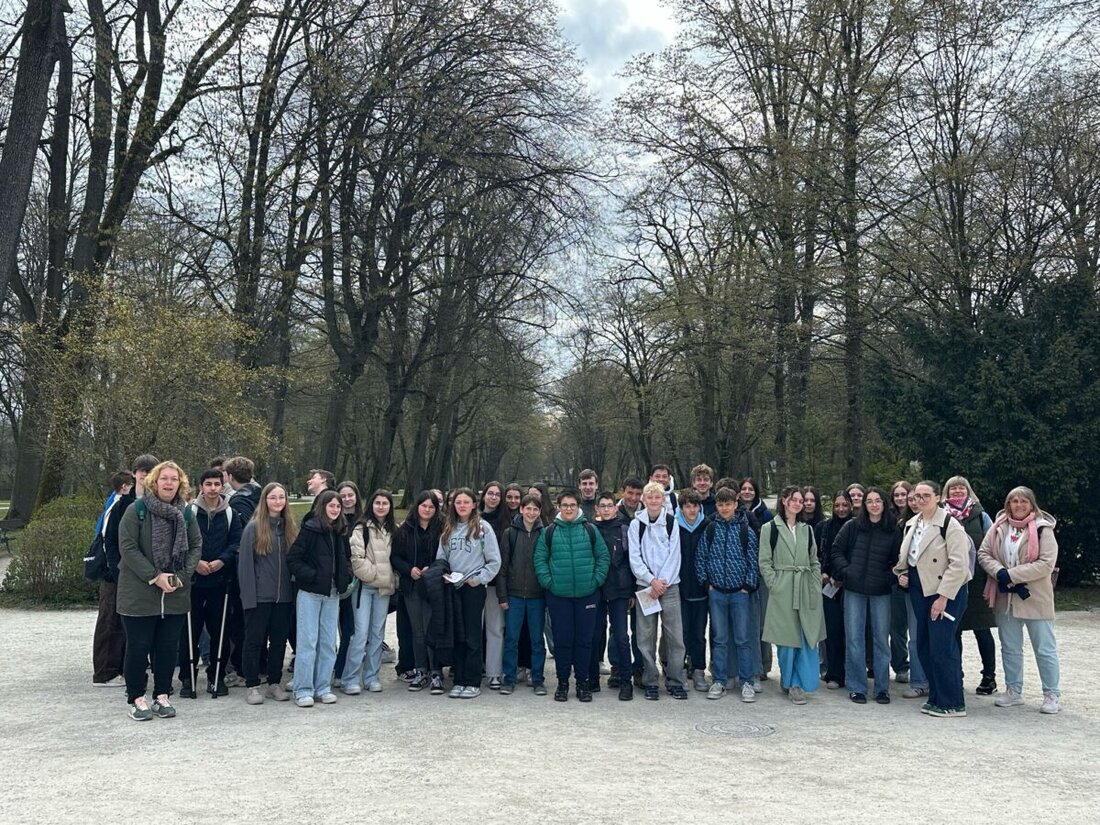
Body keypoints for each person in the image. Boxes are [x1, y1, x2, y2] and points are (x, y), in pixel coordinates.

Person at [116, 460, 202, 721]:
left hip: (174, 593)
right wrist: (154, 576)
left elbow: (196, 546)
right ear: (154, 482)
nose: (168, 483)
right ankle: (137, 698)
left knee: (167, 648)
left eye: (173, 479)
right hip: (140, 593)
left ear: (180, 484)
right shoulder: (137, 510)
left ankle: (162, 695)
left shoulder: (186, 513)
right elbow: (128, 547)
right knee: (139, 647)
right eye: (164, 478)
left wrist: (180, 577)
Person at [978, 486, 1062, 714]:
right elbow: (984, 553)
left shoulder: (1044, 530)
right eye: (1014, 501)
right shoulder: (998, 528)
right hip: (1006, 597)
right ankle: (1013, 690)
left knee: (1044, 648)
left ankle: (1052, 693)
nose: (1018, 505)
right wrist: (999, 572)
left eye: (1023, 501)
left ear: (1032, 504)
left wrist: (1011, 575)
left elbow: (1045, 563)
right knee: (1010, 647)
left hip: (1035, 597)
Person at [893, 480, 972, 718]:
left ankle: (953, 702)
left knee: (942, 647)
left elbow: (959, 565)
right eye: (917, 496)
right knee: (925, 646)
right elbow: (911, 557)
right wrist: (902, 573)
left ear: (938, 497)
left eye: (926, 496)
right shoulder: (911, 523)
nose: (920, 500)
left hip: (946, 592)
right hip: (920, 589)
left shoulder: (950, 524)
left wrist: (944, 597)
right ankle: (936, 696)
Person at [534, 489, 609, 702]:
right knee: (563, 641)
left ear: (578, 507)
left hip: (587, 595)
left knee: (584, 641)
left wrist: (595, 581)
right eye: (564, 505)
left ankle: (583, 683)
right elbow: (540, 560)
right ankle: (563, 682)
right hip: (559, 596)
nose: (568, 509)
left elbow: (602, 557)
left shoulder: (590, 529)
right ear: (559, 506)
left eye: (572, 505)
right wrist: (549, 583)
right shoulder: (549, 532)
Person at [830, 487, 900, 705]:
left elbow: (900, 561)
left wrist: (889, 578)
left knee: (880, 640)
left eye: (878, 500)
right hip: (854, 589)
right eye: (869, 501)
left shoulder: (893, 530)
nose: (874, 505)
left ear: (883, 504)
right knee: (854, 638)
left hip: (881, 591)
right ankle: (857, 686)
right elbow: (836, 551)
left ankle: (882, 688)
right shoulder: (853, 526)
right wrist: (847, 572)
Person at [178, 469, 242, 698]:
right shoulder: (189, 512)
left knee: (220, 632)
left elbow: (236, 543)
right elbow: (181, 543)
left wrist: (221, 561)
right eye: (208, 484)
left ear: (223, 486)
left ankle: (217, 675)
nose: (213, 488)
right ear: (201, 487)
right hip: (194, 582)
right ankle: (188, 677)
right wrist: (196, 563)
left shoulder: (231, 514)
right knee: (190, 632)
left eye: (217, 484)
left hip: (220, 582)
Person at [759, 486, 824, 705]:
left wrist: (815, 582)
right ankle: (788, 678)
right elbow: (765, 561)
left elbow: (814, 559)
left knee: (806, 635)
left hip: (805, 586)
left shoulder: (807, 530)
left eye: (801, 500)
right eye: (794, 499)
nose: (798, 503)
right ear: (784, 501)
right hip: (783, 587)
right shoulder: (770, 528)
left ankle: (798, 683)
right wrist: (774, 584)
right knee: (787, 639)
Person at [286, 490, 352, 707]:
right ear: (322, 507)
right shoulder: (310, 529)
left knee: (327, 642)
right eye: (331, 505)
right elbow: (294, 559)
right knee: (308, 642)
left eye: (338, 506)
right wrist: (313, 576)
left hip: (333, 594)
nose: (335, 510)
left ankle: (322, 686)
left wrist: (346, 577)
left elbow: (346, 559)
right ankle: (303, 688)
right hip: (311, 593)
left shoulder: (341, 532)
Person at [695, 487, 760, 702]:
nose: (724, 508)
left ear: (735, 504)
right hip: (717, 593)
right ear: (717, 506)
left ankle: (747, 681)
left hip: (740, 593)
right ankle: (719, 680)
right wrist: (707, 584)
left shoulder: (745, 530)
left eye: (728, 504)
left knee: (743, 639)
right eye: (720, 504)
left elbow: (753, 560)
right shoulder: (710, 529)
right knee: (719, 638)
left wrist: (748, 586)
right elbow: (701, 557)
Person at [437, 488, 501, 699]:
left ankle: (473, 681)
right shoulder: (449, 528)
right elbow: (441, 557)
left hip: (473, 587)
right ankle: (459, 679)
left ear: (474, 504)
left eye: (466, 502)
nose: (462, 505)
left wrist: (480, 579)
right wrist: (444, 574)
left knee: (473, 635)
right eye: (458, 502)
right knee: (458, 635)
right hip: (453, 588)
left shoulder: (483, 528)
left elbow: (494, 561)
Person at [238, 482, 297, 704]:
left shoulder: (289, 527)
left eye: (281, 497)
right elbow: (244, 567)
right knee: (254, 641)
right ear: (265, 500)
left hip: (283, 597)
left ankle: (274, 682)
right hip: (259, 597)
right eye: (273, 497)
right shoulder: (253, 528)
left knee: (279, 641)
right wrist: (249, 598)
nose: (278, 501)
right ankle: (253, 685)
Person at [628, 481, 688, 700]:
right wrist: (651, 580)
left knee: (675, 636)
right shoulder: (637, 525)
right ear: (644, 500)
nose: (653, 501)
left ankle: (675, 680)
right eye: (650, 497)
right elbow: (635, 557)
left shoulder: (672, 523)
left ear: (663, 500)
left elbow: (675, 556)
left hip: (670, 586)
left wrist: (663, 582)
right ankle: (650, 680)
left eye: (657, 497)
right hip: (646, 587)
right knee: (645, 636)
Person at [942, 475, 998, 695]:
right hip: (951, 580)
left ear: (968, 491)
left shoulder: (981, 516)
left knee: (982, 630)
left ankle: (989, 677)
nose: (957, 492)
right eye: (952, 488)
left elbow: (991, 546)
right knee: (953, 631)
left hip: (977, 581)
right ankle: (957, 673)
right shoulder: (941, 515)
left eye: (961, 488)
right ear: (946, 492)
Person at [342, 490, 397, 695]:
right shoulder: (361, 527)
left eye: (385, 503)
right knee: (360, 633)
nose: (381, 506)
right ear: (371, 505)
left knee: (377, 634)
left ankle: (372, 676)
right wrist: (376, 575)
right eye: (377, 502)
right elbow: (356, 559)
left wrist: (390, 579)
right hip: (364, 588)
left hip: (383, 589)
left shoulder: (393, 529)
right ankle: (350, 678)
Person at [390, 491, 444, 693]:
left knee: (433, 629)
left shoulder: (442, 528)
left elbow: (446, 556)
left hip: (433, 587)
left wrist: (434, 568)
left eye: (431, 507)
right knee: (417, 631)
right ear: (417, 506)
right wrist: (408, 569)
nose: (427, 510)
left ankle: (436, 671)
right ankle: (421, 670)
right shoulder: (405, 529)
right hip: (412, 586)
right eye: (424, 506)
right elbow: (395, 557)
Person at [498, 494, 547, 695]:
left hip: (537, 596)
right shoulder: (510, 533)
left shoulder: (545, 533)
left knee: (537, 639)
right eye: (528, 508)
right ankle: (509, 678)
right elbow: (502, 567)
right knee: (511, 639)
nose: (531, 513)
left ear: (539, 512)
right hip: (514, 595)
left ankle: (538, 679)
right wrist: (502, 596)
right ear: (521, 509)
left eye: (535, 509)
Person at [91, 469, 135, 687]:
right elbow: (107, 539)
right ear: (125, 486)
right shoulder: (117, 505)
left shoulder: (117, 501)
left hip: (116, 570)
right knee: (110, 620)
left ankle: (115, 667)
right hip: (112, 572)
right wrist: (115, 570)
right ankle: (105, 672)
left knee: (118, 620)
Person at [223, 456, 262, 686]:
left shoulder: (239, 501)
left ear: (228, 476)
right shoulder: (261, 493)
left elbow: (243, 535)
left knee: (239, 618)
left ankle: (240, 667)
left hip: (245, 565)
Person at [594, 491, 634, 700]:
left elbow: (631, 561)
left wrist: (632, 591)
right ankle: (591, 678)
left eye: (610, 505)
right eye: (603, 505)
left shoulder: (625, 529)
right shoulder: (591, 530)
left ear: (615, 508)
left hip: (620, 590)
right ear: (597, 509)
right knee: (593, 634)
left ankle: (626, 681)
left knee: (621, 636)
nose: (607, 509)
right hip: (597, 590)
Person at [816, 491, 852, 689]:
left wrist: (845, 578)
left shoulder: (856, 526)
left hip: (851, 585)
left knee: (852, 632)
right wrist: (822, 573)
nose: (841, 509)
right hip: (828, 585)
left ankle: (852, 672)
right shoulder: (823, 527)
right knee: (832, 631)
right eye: (837, 505)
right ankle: (834, 673)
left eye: (844, 505)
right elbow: (816, 554)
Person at [738, 476, 772, 684]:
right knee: (746, 623)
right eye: (744, 488)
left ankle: (764, 666)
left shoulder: (765, 513)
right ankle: (750, 664)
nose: (748, 492)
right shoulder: (736, 512)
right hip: (742, 572)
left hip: (761, 571)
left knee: (762, 623)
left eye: (751, 488)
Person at [677, 489, 709, 691]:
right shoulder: (673, 525)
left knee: (698, 632)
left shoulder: (707, 525)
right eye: (687, 506)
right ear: (681, 508)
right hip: (679, 587)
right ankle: (680, 669)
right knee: (680, 633)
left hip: (700, 588)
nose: (691, 510)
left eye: (695, 506)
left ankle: (698, 670)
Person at [332, 481, 363, 687]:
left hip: (359, 580)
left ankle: (343, 670)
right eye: (342, 495)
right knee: (337, 627)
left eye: (350, 495)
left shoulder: (363, 520)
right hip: (339, 580)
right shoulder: (334, 521)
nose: (347, 499)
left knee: (351, 629)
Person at [479, 481, 507, 690]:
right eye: (490, 493)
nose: (494, 497)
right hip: (473, 581)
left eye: (498, 494)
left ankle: (494, 672)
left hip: (495, 584)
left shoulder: (507, 521)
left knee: (495, 628)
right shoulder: (473, 518)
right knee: (473, 628)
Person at [888, 480, 915, 683]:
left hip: (919, 580)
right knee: (897, 627)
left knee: (916, 628)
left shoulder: (921, 518)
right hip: (896, 579)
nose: (900, 498)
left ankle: (920, 669)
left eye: (903, 494)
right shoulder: (889, 519)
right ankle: (901, 665)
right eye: (896, 495)